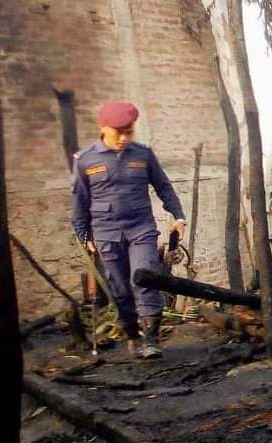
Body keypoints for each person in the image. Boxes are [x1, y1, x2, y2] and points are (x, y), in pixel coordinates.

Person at [71, 102, 186, 359]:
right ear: (103, 128)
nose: (124, 138)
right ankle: (133, 336)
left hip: (140, 228)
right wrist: (84, 235)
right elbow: (79, 201)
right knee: (120, 288)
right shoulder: (85, 159)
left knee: (144, 277)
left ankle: (152, 340)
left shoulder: (143, 155)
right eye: (117, 132)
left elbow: (164, 187)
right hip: (105, 232)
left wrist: (178, 216)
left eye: (129, 131)